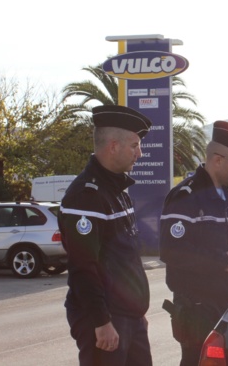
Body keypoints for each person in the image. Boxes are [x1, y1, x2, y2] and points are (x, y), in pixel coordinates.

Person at [59, 105, 153, 366]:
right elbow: (83, 267)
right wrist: (101, 321)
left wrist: (136, 312)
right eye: (134, 145)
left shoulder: (116, 190)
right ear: (113, 146)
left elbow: (126, 258)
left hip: (128, 317)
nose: (139, 153)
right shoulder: (86, 196)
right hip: (105, 318)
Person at [160, 120, 228, 366]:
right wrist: (223, 260)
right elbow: (173, 251)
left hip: (224, 306)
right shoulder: (186, 196)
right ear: (217, 160)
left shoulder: (224, 197)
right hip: (197, 309)